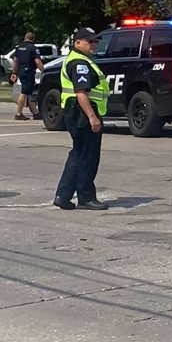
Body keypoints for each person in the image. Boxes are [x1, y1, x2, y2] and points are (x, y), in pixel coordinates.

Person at [53, 27, 110, 210]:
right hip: (82, 113)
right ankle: (86, 198)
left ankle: (63, 195)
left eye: (96, 41)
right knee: (88, 157)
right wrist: (92, 117)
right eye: (90, 41)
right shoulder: (79, 63)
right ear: (77, 43)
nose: (94, 44)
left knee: (78, 154)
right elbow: (81, 92)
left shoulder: (80, 60)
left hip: (77, 112)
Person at [11, 32, 45, 121]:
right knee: (24, 92)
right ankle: (18, 114)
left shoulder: (18, 48)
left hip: (21, 71)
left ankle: (35, 113)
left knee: (30, 93)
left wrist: (14, 73)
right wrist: (43, 70)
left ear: (25, 38)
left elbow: (15, 61)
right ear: (33, 39)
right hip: (29, 72)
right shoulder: (33, 48)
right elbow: (37, 61)